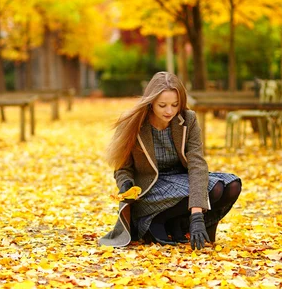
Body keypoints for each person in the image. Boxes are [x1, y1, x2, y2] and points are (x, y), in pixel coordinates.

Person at [99, 72, 242, 250]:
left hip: (180, 180)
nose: (169, 111)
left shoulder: (188, 120)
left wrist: (197, 215)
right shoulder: (134, 123)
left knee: (230, 185)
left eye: (175, 105)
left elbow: (197, 164)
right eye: (162, 105)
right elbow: (122, 168)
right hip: (150, 188)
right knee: (213, 188)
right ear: (151, 102)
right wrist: (126, 185)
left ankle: (183, 224)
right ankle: (155, 220)